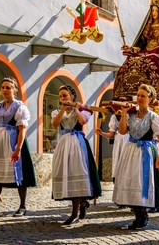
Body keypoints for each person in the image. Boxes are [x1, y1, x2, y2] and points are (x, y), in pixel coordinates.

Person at [0, 77, 36, 219]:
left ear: (14, 90)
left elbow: (22, 129)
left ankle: (22, 207)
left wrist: (18, 149)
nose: (5, 90)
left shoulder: (19, 107)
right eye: (3, 87)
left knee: (19, 175)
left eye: (8, 87)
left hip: (14, 142)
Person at [112, 84, 159, 229]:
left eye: (143, 96)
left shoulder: (154, 117)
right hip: (130, 150)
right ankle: (137, 215)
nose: (140, 98)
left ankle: (143, 214)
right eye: (139, 95)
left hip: (145, 152)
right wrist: (123, 113)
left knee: (141, 183)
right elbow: (123, 132)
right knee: (130, 182)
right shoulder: (131, 115)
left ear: (150, 99)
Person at [51, 85, 102, 225]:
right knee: (68, 175)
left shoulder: (82, 110)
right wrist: (63, 108)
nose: (62, 98)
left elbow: (83, 121)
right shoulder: (56, 112)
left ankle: (74, 214)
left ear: (72, 97)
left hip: (78, 144)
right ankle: (83, 203)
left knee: (77, 173)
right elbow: (55, 124)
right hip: (64, 144)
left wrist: (75, 108)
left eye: (65, 96)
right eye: (60, 96)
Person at [95, 114, 129, 186]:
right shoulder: (115, 116)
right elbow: (111, 134)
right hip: (119, 143)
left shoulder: (133, 114)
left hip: (130, 141)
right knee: (118, 161)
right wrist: (101, 133)